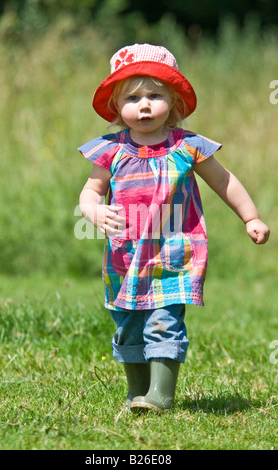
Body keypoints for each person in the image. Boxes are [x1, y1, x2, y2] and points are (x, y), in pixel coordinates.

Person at [78, 44, 270, 413]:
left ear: (175, 101)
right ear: (117, 107)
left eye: (155, 95)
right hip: (125, 256)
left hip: (175, 253)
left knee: (164, 321)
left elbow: (224, 181)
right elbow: (91, 191)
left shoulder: (187, 146)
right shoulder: (109, 150)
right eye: (133, 98)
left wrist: (251, 217)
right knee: (129, 323)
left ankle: (161, 395)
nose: (144, 105)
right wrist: (93, 212)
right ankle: (137, 393)